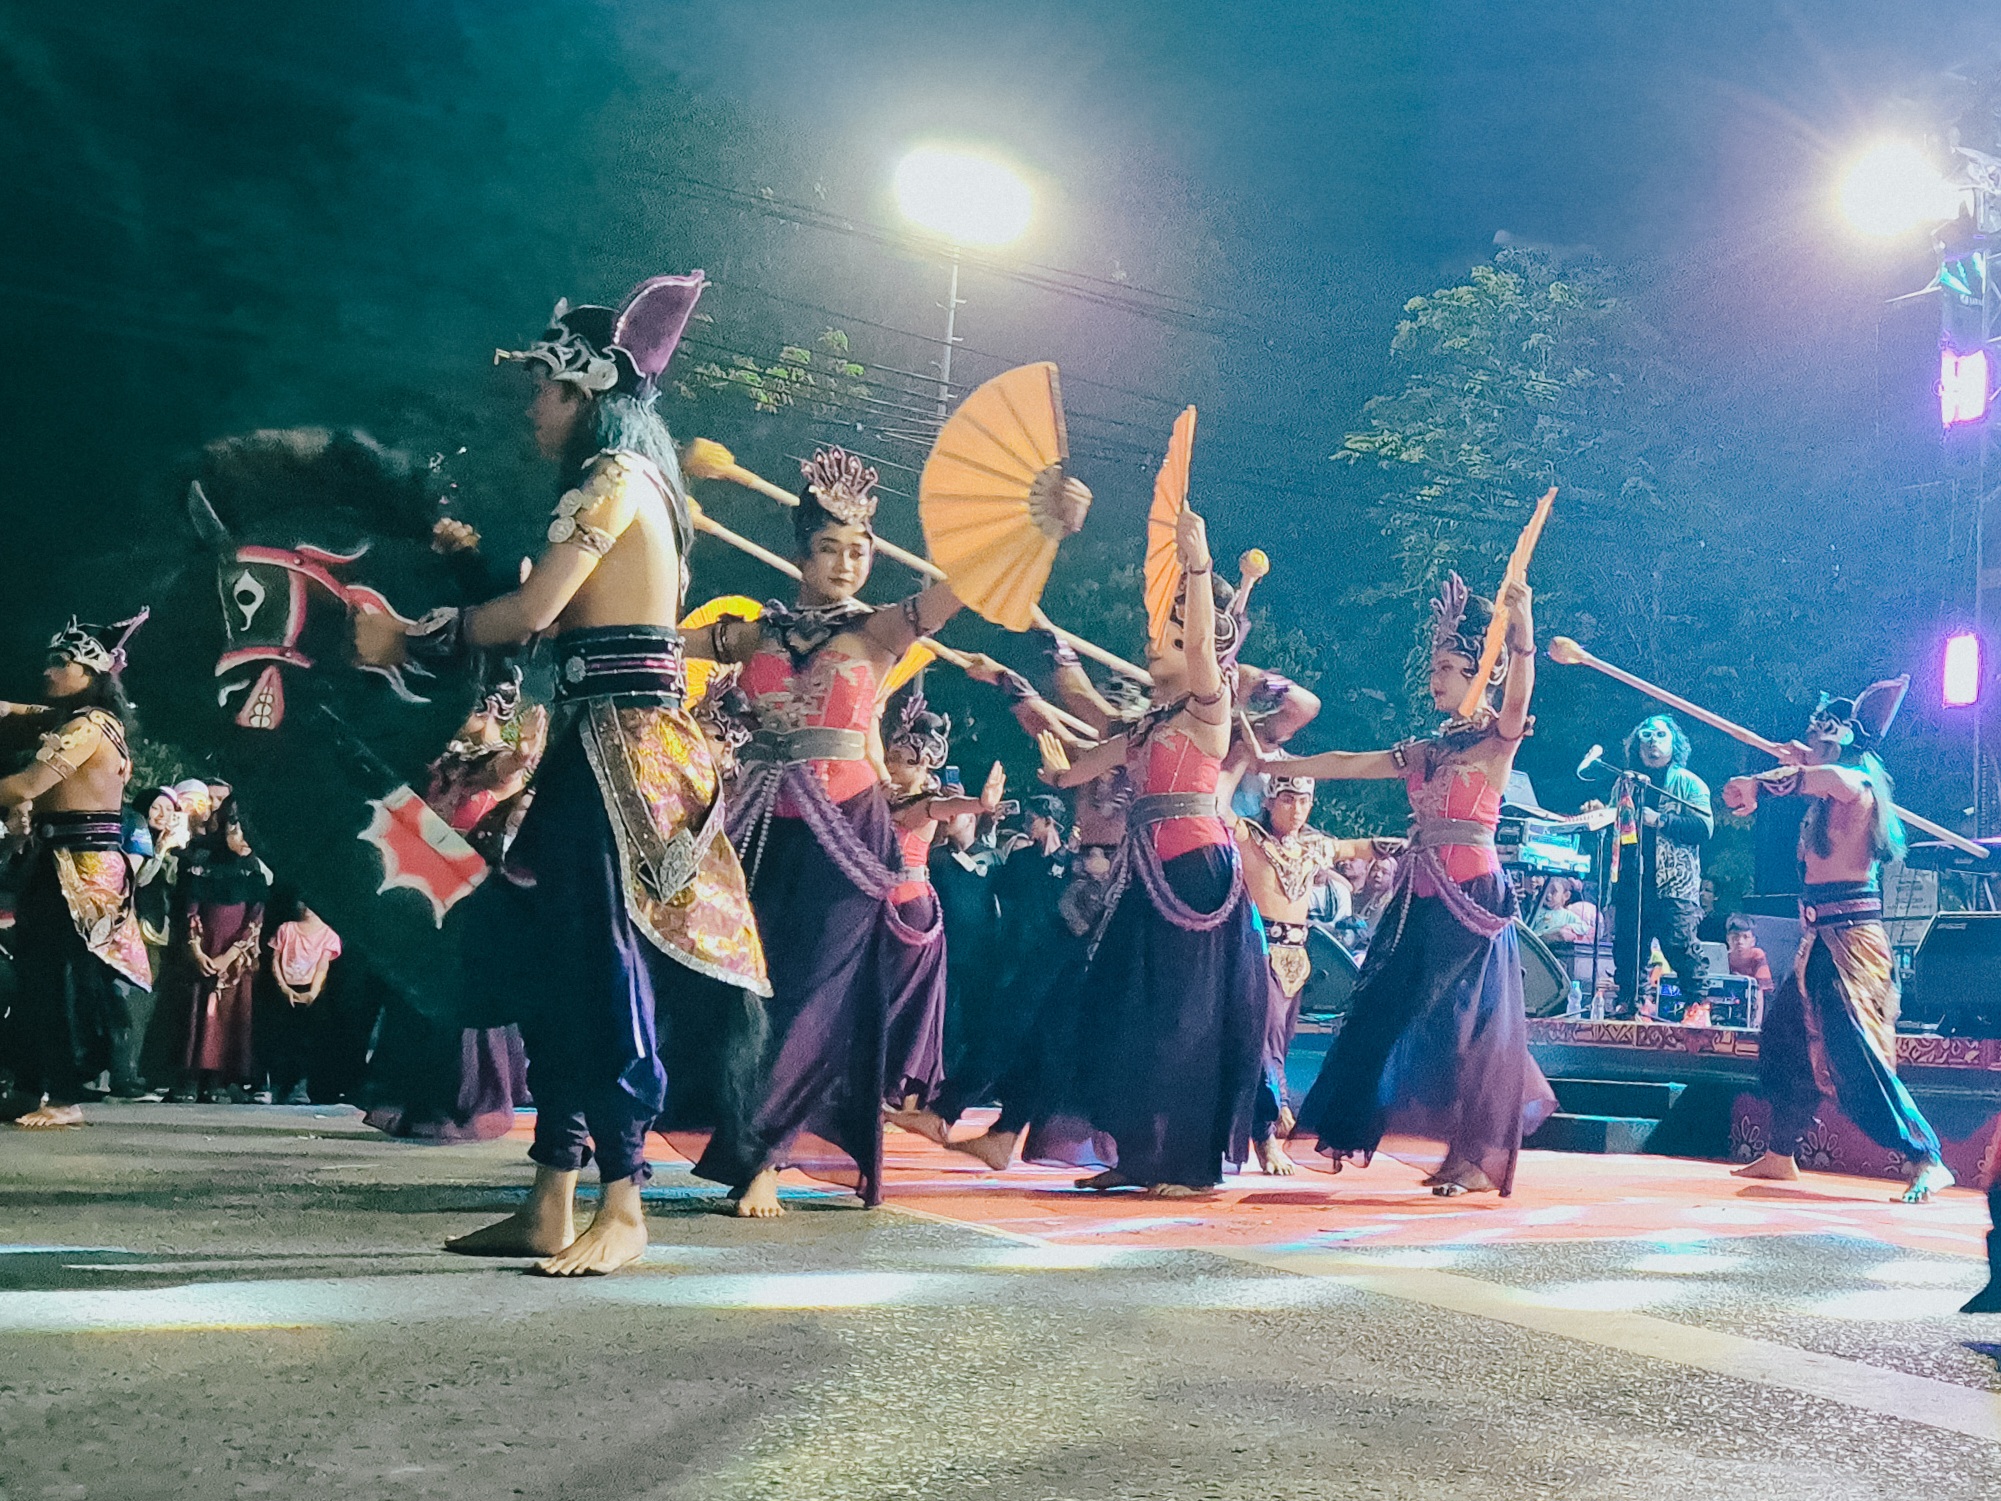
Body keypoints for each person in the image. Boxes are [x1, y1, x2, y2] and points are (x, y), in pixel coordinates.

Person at [355, 271, 771, 1275]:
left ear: (584, 392)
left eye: (544, 389)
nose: (533, 409)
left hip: (617, 753)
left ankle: (622, 1199)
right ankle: (552, 1192)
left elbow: (534, 614)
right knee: (553, 964)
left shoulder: (615, 478)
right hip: (596, 742)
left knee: (597, 967)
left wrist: (412, 637)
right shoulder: (636, 482)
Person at [685, 444, 1090, 1218]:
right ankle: (718, 1129)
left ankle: (764, 1155)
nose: (845, 563)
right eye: (829, 549)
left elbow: (963, 587)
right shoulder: (754, 633)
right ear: (800, 555)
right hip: (761, 831)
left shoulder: (879, 632)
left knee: (806, 990)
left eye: (859, 550)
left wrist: (1039, 529)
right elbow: (659, 641)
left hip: (848, 832)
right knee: (749, 987)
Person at [1266, 572, 1556, 1196]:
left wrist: (1522, 625)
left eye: (1450, 666)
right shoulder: (1430, 749)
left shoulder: (1496, 742)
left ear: (1482, 673)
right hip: (1419, 901)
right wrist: (1277, 763)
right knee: (1389, 1015)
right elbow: (1351, 764)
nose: (1437, 676)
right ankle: (1450, 1149)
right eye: (1435, 664)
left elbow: (1521, 692)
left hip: (1471, 898)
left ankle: (1475, 1160)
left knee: (1463, 1030)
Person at [1035, 505, 1268, 1196]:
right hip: (1142, 879)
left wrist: (1197, 566)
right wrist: (1054, 771)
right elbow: (1082, 766)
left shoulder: (1209, 708)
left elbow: (1202, 650)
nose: (1150, 639)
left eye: (1163, 629)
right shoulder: (1145, 727)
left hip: (1196, 875)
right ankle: (1137, 1153)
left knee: (1185, 1023)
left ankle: (1189, 1165)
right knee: (1124, 1014)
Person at [1723, 678, 1954, 1202]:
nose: (1804, 738)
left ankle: (1926, 1155)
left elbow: (1817, 775)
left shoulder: (1851, 785)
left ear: (1839, 742)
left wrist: (1760, 784)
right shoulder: (1825, 776)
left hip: (1852, 943)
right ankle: (1781, 1153)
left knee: (1855, 1055)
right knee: (1784, 1039)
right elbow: (1805, 767)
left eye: (1816, 734)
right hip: (1820, 939)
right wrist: (1787, 762)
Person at [0, 615, 155, 1127]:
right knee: (34, 976)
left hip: (80, 871)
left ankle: (65, 1094)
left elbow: (25, 786)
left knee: (57, 980)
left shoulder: (86, 728)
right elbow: (16, 711)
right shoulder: (76, 720)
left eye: (59, 663)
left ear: (89, 672)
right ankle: (27, 1085)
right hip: (55, 863)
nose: (48, 671)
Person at [1233, 773, 1401, 1174]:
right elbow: (1218, 810)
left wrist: (1393, 843)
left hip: (1298, 955)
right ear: (1271, 800)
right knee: (1262, 1047)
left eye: (1304, 802)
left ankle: (1274, 1113)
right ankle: (1265, 1133)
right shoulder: (1248, 836)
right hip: (1256, 950)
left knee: (1279, 1043)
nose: (1296, 810)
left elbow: (1351, 846)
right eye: (1288, 799)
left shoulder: (1313, 844)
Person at [1610, 715, 1712, 1017]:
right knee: (1628, 948)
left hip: (1674, 884)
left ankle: (1697, 1005)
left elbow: (1704, 827)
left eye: (1660, 735)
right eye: (1646, 735)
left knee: (1679, 945)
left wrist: (1661, 820)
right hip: (1631, 880)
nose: (1652, 740)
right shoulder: (1625, 783)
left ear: (1674, 744)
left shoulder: (1688, 782)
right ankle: (1630, 1003)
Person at [175, 797, 272, 1103]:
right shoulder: (201, 861)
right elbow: (190, 908)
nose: (240, 837)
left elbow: (255, 918)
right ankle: (189, 1078)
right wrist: (197, 950)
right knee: (195, 1012)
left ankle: (219, 1079)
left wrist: (230, 955)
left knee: (229, 1016)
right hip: (203, 948)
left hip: (235, 954)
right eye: (233, 828)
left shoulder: (252, 867)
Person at [260, 899, 340, 1103]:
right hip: (285, 991)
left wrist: (313, 992)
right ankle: (278, 1085)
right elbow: (275, 961)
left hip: (311, 992)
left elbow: (323, 966)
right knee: (281, 1039)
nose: (308, 908)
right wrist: (284, 988)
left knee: (307, 1041)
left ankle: (300, 1086)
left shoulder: (327, 934)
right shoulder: (286, 929)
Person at [1723, 913, 1772, 1011]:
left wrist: (1756, 1024)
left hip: (1751, 1004)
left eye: (1745, 937)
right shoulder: (1722, 957)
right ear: (1728, 938)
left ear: (1753, 941)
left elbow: (1760, 990)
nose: (1740, 941)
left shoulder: (1757, 956)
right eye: (1735, 937)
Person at [1531, 874, 1597, 945]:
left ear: (1566, 896)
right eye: (1546, 891)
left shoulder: (1567, 915)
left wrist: (1570, 927)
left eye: (1553, 891)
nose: (1548, 895)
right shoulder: (1536, 910)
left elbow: (1584, 927)